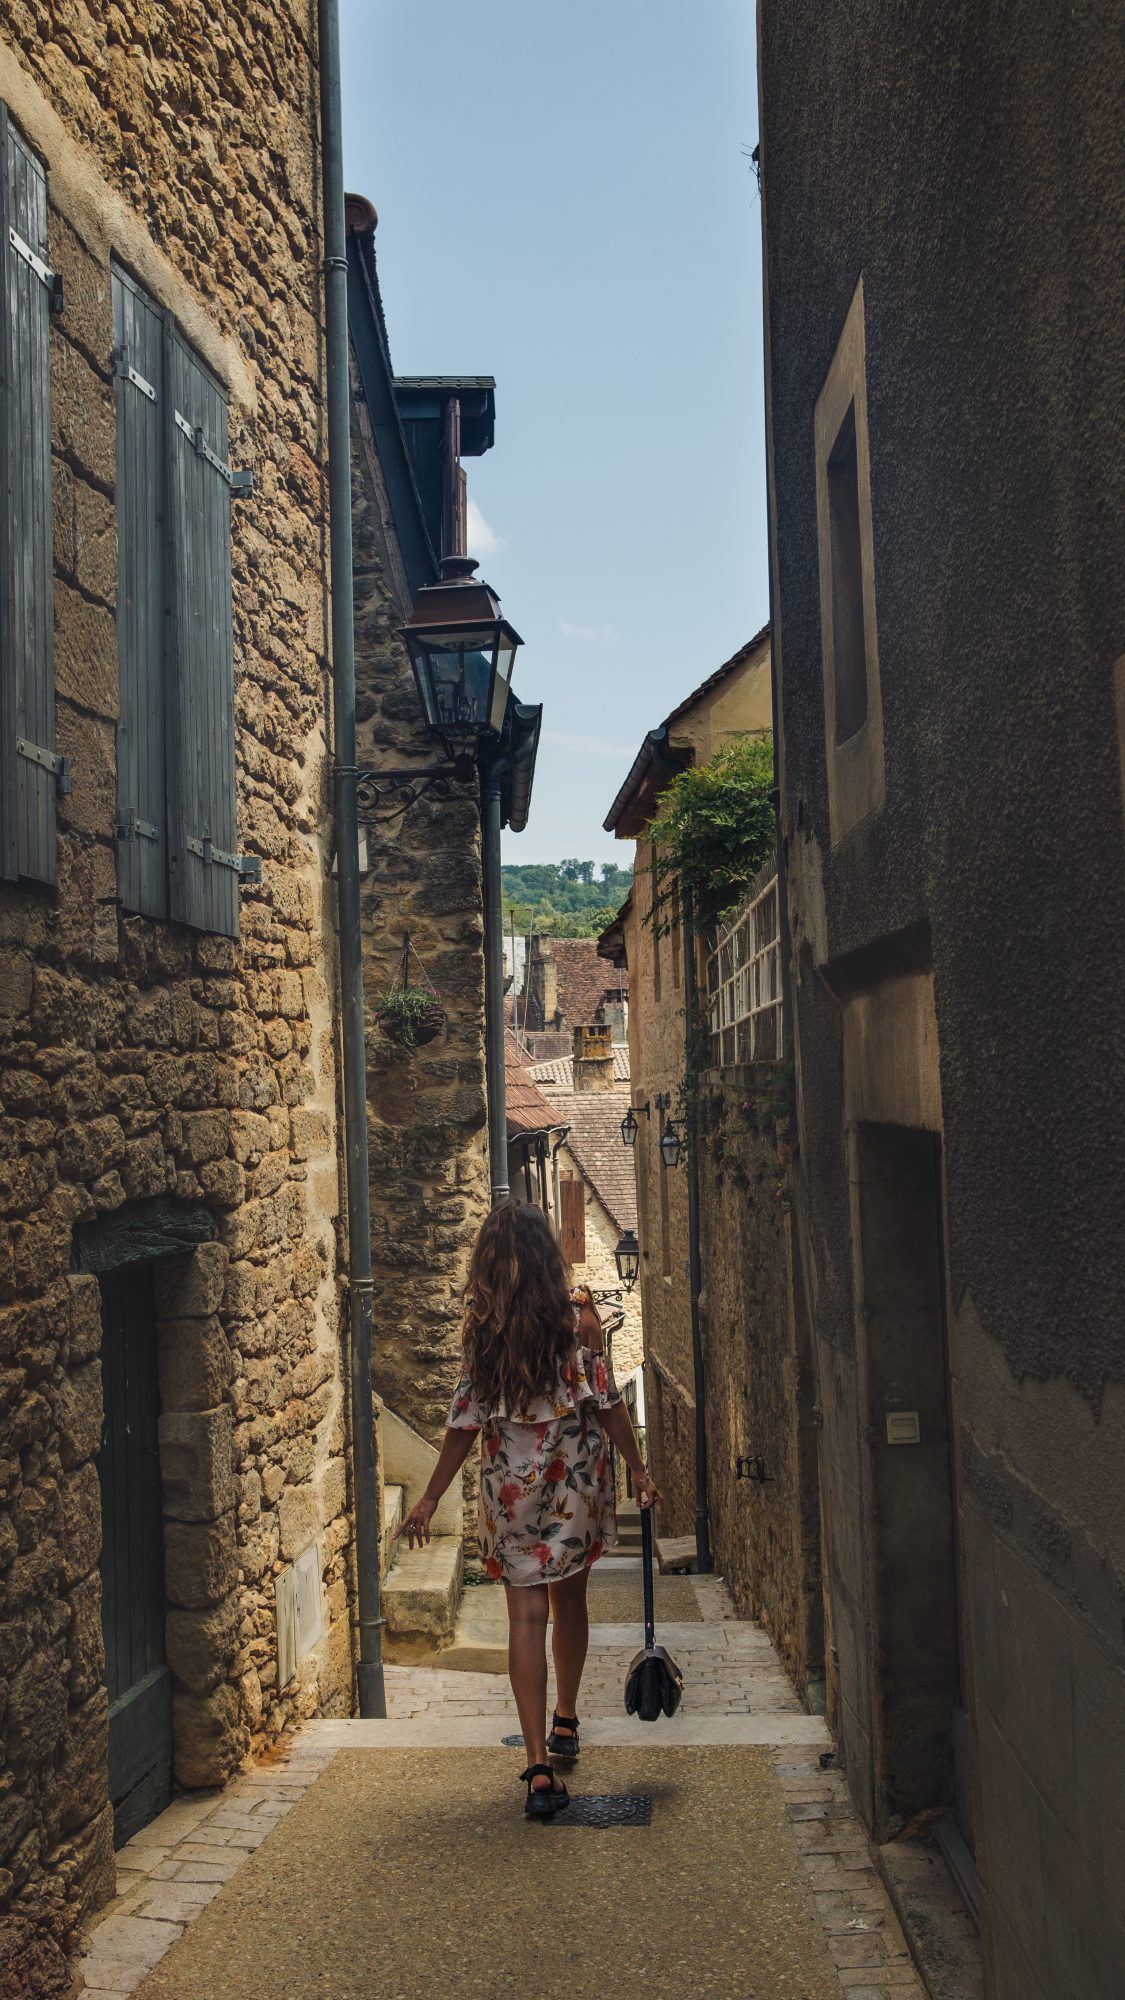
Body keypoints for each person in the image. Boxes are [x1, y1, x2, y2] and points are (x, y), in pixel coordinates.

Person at [397, 1200, 661, 1819]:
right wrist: (639, 1469)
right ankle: (566, 1718)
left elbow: (464, 1422)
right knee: (570, 1602)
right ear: (547, 1258)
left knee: (524, 1617)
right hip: (573, 1483)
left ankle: (539, 1765)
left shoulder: (483, 1332)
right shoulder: (576, 1323)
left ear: (487, 1262)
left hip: (510, 1492)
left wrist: (430, 1497)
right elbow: (606, 1402)